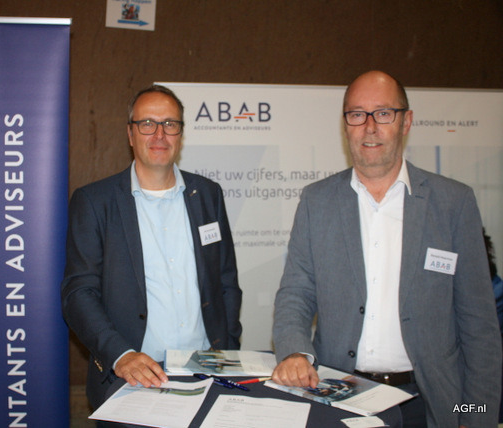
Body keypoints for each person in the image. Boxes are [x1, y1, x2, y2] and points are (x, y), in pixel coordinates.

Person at [272, 70, 502, 427]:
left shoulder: (453, 203)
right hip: (340, 396)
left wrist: (476, 417)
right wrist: (294, 352)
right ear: (345, 125)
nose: (369, 127)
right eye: (357, 114)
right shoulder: (317, 201)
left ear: (406, 121)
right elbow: (295, 294)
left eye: (383, 113)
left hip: (430, 403)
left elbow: (479, 326)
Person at [61, 84, 242, 410]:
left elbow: (226, 279)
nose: (160, 134)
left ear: (181, 134)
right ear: (130, 134)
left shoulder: (208, 194)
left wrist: (227, 346)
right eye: (147, 124)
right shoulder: (95, 202)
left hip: (207, 373)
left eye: (170, 124)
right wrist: (121, 354)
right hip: (132, 378)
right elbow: (79, 293)